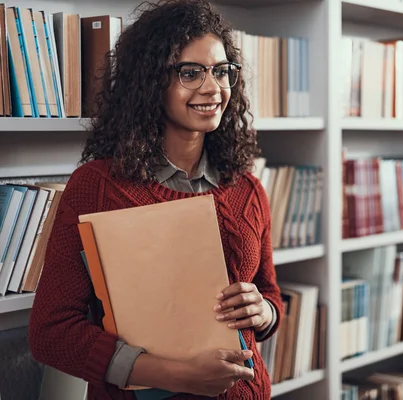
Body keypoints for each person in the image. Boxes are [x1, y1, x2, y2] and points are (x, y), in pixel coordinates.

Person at [28, 0, 283, 398]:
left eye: (221, 71)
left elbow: (269, 293)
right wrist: (171, 374)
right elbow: (52, 332)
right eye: (190, 72)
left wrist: (263, 311)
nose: (212, 88)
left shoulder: (247, 189)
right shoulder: (96, 187)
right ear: (150, 81)